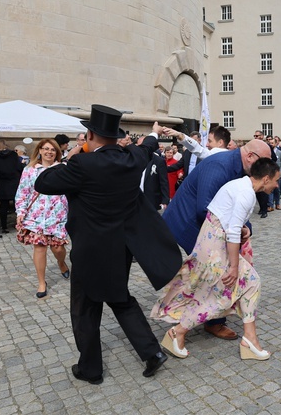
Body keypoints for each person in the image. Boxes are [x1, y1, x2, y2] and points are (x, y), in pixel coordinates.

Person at [35, 104, 182, 384]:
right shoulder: (132, 159)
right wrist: (152, 134)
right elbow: (146, 146)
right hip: (122, 247)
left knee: (85, 308)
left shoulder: (82, 164)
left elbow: (44, 182)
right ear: (116, 137)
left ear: (89, 135)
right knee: (118, 297)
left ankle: (91, 369)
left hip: (91, 250)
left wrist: (69, 156)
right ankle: (151, 352)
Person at [152, 158, 280, 361]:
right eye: (276, 180)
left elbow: (229, 220)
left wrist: (244, 230)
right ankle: (178, 331)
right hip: (215, 248)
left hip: (214, 243)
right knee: (218, 297)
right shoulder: (246, 193)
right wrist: (234, 267)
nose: (277, 185)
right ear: (265, 179)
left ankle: (249, 339)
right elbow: (232, 229)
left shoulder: (241, 186)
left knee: (249, 283)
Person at [15, 139, 69, 298]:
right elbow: (22, 192)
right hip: (36, 216)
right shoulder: (30, 170)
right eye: (46, 149)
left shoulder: (63, 169)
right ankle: (41, 283)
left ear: (57, 152)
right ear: (39, 150)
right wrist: (20, 212)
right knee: (39, 247)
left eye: (53, 149)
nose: (49, 152)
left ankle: (61, 262)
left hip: (57, 216)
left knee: (58, 248)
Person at [0, 140, 23, 234]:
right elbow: (19, 167)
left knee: (4, 207)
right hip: (14, 181)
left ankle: (4, 227)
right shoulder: (13, 154)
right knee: (18, 205)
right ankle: (20, 224)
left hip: (2, 183)